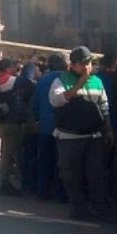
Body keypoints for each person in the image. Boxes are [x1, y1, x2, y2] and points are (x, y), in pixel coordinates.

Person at [49, 46, 117, 223]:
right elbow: (57, 100)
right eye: (84, 63)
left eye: (90, 63)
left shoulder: (97, 82)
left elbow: (104, 106)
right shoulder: (61, 80)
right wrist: (80, 83)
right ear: (73, 64)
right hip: (70, 137)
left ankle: (98, 207)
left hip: (93, 136)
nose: (88, 67)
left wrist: (108, 129)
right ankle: (78, 207)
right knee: (71, 174)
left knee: (96, 173)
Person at [32, 53, 68, 202]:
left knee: (45, 160)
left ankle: (43, 191)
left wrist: (36, 119)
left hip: (45, 126)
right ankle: (60, 193)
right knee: (62, 162)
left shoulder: (43, 80)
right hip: (64, 127)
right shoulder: (68, 79)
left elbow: (35, 103)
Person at [96, 52, 117, 214]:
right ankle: (114, 198)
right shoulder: (116, 80)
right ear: (114, 63)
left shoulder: (94, 79)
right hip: (115, 126)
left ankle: (100, 196)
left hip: (97, 127)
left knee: (101, 163)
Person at [0, 58, 23, 196]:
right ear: (7, 68)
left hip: (3, 121)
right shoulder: (9, 80)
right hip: (11, 122)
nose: (15, 69)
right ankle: (5, 184)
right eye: (13, 67)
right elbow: (28, 83)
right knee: (9, 153)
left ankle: (6, 182)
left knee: (6, 152)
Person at [16, 62, 41, 195]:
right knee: (31, 155)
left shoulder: (17, 81)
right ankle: (30, 184)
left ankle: (24, 182)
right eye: (37, 70)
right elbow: (33, 106)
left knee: (24, 154)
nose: (39, 72)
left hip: (19, 122)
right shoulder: (31, 85)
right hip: (30, 124)